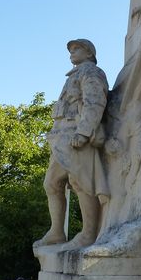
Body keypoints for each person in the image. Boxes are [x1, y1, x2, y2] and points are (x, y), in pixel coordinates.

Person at [35, 39, 109, 249]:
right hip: (61, 135)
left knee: (81, 183)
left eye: (77, 49)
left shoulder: (91, 72)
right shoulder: (74, 75)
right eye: (71, 49)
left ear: (89, 53)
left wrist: (84, 132)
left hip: (76, 134)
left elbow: (95, 102)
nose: (71, 52)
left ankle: (88, 234)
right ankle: (57, 232)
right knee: (51, 183)